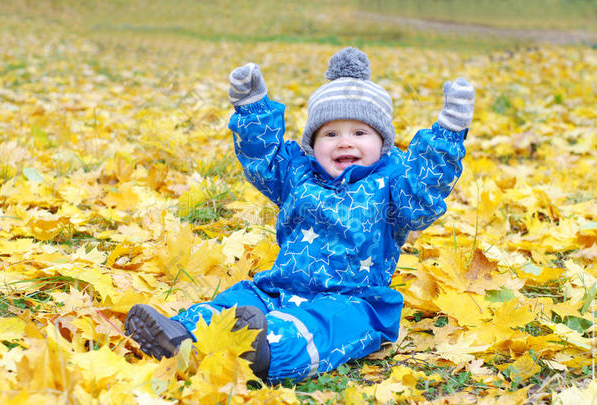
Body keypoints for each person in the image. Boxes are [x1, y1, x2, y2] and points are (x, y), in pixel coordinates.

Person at [125, 47, 474, 383]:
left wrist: (448, 132)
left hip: (353, 299)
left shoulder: (392, 185)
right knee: (239, 299)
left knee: (331, 325)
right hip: (280, 288)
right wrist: (253, 108)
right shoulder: (297, 174)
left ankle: (265, 350)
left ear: (382, 142)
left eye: (360, 132)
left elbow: (422, 192)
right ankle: (180, 336)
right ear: (312, 143)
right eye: (330, 133)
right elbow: (265, 159)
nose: (344, 142)